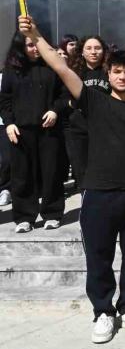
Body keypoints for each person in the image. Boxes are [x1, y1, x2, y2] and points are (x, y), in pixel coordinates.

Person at [18, 15, 125, 343]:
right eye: (117, 71)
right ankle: (103, 312)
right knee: (99, 257)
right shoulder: (94, 101)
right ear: (108, 74)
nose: (122, 76)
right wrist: (35, 34)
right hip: (99, 192)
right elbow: (61, 67)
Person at [0, 31, 67, 233]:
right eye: (30, 45)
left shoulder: (53, 66)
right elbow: (4, 100)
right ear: (21, 47)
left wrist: (55, 110)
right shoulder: (12, 70)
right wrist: (9, 123)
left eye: (37, 44)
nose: (35, 49)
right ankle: (24, 217)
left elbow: (64, 94)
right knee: (22, 174)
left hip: (49, 129)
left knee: (51, 172)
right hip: (20, 130)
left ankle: (52, 213)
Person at [64, 35, 111, 188]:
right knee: (81, 169)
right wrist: (71, 103)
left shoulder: (110, 71)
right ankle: (85, 197)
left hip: (105, 128)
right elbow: (63, 97)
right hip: (79, 129)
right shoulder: (74, 72)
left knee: (104, 167)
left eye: (97, 48)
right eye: (89, 48)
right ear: (82, 52)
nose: (93, 52)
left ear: (104, 51)